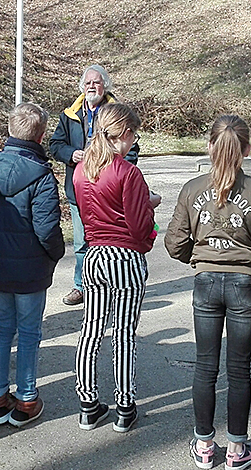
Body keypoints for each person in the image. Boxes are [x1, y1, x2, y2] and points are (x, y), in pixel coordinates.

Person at [165, 115, 251, 470]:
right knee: (239, 369)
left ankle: (204, 445)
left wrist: (201, 257)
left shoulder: (192, 190)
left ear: (209, 146)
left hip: (205, 282)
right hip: (244, 285)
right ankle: (237, 449)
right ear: (248, 150)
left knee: (205, 366)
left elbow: (174, 243)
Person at [0, 103, 65, 427]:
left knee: (2, 328)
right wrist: (56, 253)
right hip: (30, 268)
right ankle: (26, 399)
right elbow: (46, 227)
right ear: (41, 135)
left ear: (10, 130)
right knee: (28, 332)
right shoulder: (41, 174)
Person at [72, 103, 159, 434]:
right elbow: (139, 228)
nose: (133, 140)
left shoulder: (82, 171)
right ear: (124, 134)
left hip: (93, 256)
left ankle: (88, 405)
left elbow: (88, 213)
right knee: (123, 333)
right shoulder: (128, 172)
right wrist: (149, 213)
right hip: (123, 257)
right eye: (133, 134)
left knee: (90, 331)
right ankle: (125, 405)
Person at [49, 64, 138, 306]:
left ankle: (110, 285)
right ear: (82, 86)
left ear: (105, 86)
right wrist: (71, 154)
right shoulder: (70, 115)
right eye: (87, 82)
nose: (91, 86)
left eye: (96, 82)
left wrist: (115, 169)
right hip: (79, 189)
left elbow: (132, 150)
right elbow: (54, 145)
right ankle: (81, 286)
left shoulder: (117, 113)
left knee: (110, 240)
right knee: (81, 242)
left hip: (110, 190)